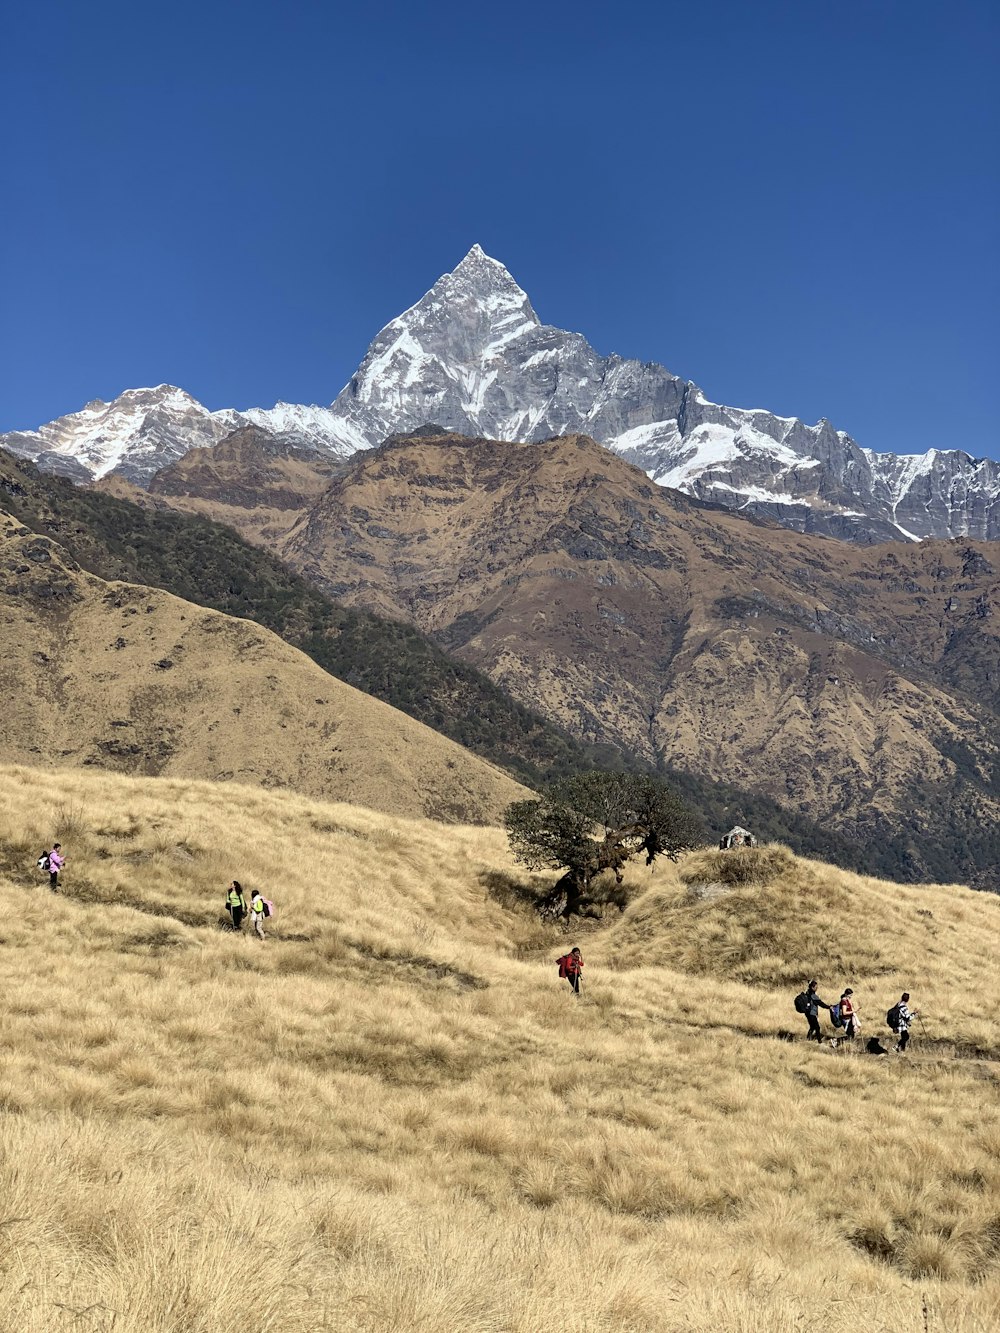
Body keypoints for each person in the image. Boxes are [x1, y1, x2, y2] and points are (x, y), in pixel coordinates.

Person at [801, 979, 831, 1044]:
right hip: (812, 1013)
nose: (817, 988)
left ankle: (808, 1039)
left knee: (812, 1026)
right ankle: (819, 1041)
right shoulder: (813, 996)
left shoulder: (807, 993)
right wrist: (829, 1007)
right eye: (816, 987)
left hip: (807, 1013)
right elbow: (820, 1003)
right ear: (812, 987)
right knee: (817, 1027)